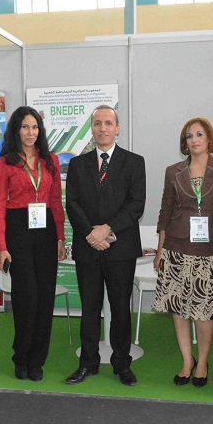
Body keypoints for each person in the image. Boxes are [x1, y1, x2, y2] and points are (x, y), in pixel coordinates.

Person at [152, 117, 213, 388]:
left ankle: (203, 361)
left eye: (198, 134)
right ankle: (187, 360)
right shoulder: (173, 171)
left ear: (209, 138)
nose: (194, 140)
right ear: (185, 143)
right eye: (189, 136)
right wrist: (160, 251)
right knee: (179, 308)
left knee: (204, 311)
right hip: (175, 248)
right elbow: (165, 212)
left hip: (208, 249)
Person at [64, 105, 146, 386]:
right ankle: (88, 363)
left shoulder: (134, 162)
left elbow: (136, 205)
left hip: (120, 249)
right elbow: (72, 204)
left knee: (121, 308)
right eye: (97, 123)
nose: (103, 128)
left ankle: (122, 364)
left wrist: (106, 229)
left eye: (108, 123)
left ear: (117, 128)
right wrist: (91, 233)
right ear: (92, 128)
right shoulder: (78, 164)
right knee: (89, 308)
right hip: (88, 247)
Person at [0, 106, 66, 382]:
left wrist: (60, 237)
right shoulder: (4, 163)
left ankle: (37, 360)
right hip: (18, 230)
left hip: (46, 229)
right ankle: (21, 357)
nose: (30, 132)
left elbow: (56, 202)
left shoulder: (51, 161)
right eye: (25, 127)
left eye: (34, 127)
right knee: (27, 296)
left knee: (45, 297)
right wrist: (1, 246)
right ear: (16, 130)